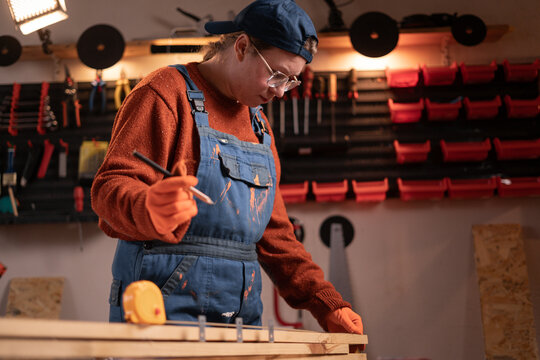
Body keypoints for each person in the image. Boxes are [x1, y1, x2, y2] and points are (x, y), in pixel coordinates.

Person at [91, 0, 364, 336]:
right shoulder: (165, 93)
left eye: (291, 81)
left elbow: (276, 235)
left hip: (239, 315)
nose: (280, 91)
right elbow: (109, 188)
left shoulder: (259, 125)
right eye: (276, 74)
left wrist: (326, 303)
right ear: (242, 46)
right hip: (159, 309)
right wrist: (146, 206)